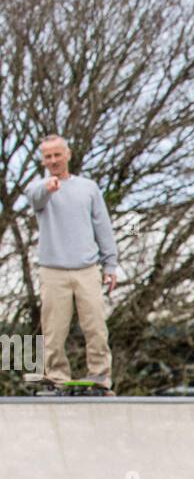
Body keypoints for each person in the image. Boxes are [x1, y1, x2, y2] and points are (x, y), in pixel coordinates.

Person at [26, 134, 118, 392]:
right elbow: (34, 198)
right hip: (53, 270)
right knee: (54, 331)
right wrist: (48, 187)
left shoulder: (88, 188)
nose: (53, 160)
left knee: (96, 327)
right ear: (43, 160)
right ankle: (57, 377)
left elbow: (103, 227)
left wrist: (110, 265)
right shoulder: (39, 189)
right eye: (48, 157)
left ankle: (100, 374)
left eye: (57, 154)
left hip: (87, 269)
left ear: (67, 155)